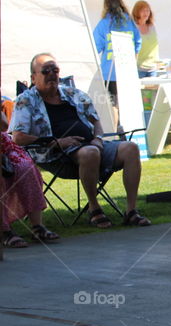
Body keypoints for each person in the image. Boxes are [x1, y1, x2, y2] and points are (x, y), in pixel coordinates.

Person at [11, 53, 150, 228]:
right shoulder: (26, 101)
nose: (52, 74)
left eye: (55, 70)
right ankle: (94, 209)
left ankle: (131, 211)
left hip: (92, 145)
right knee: (90, 153)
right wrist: (56, 142)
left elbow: (95, 120)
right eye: (46, 71)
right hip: (55, 154)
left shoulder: (73, 93)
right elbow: (18, 138)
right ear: (33, 77)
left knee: (130, 148)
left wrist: (98, 139)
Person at [1, 111, 57, 247]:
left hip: (4, 147)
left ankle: (37, 226)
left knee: (26, 167)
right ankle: (4, 231)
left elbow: (3, 126)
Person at [93, 0, 141, 120]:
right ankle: (127, 132)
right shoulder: (129, 22)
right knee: (127, 104)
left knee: (112, 105)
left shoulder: (103, 24)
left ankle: (114, 134)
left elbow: (95, 47)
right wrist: (133, 60)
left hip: (109, 72)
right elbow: (138, 42)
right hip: (128, 70)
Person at [132, 0, 161, 78]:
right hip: (138, 68)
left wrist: (158, 62)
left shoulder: (152, 26)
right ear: (137, 12)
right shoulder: (133, 27)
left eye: (148, 10)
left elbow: (155, 46)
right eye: (143, 10)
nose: (146, 13)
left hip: (153, 68)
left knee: (154, 89)